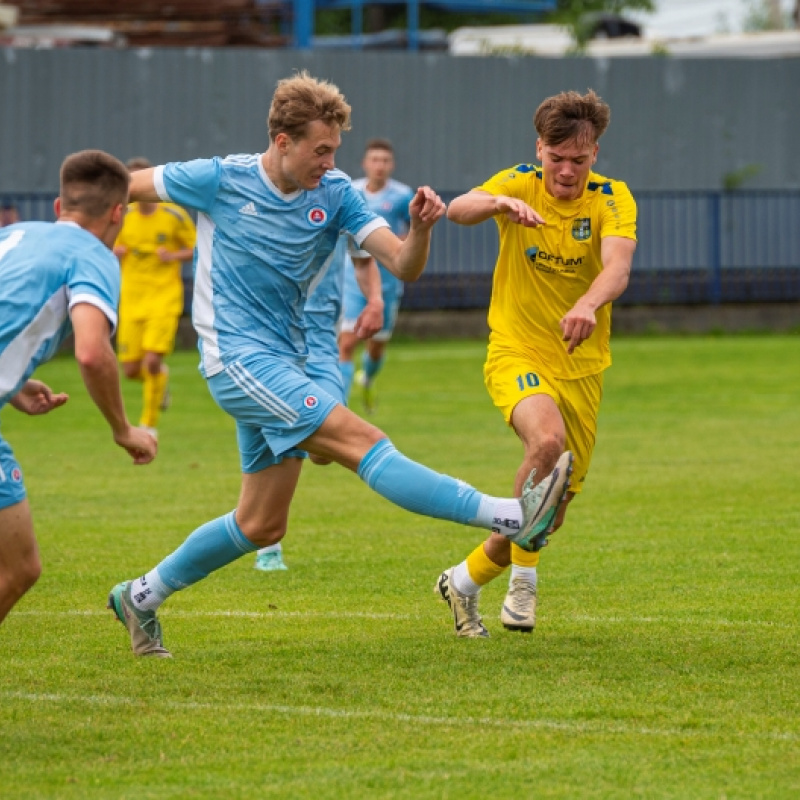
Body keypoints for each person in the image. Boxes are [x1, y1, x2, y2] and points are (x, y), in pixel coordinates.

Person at [106, 70, 572, 658]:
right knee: (361, 441)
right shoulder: (219, 178)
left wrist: (421, 229)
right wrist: (82, 226)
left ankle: (139, 597)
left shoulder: (337, 195)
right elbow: (121, 186)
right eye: (320, 150)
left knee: (261, 524)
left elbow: (402, 264)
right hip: (237, 359)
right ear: (282, 141)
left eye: (335, 151)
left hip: (291, 361)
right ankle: (511, 515)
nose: (330, 162)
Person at [436, 89, 637, 638]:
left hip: (582, 365)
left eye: (580, 158)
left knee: (551, 509)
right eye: (557, 158)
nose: (567, 170)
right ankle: (524, 585)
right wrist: (499, 205)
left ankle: (463, 581)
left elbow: (617, 267)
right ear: (539, 150)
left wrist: (587, 303)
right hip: (516, 349)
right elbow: (458, 208)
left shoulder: (612, 198)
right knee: (545, 445)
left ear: (595, 153)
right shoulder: (518, 182)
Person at [0, 150, 158, 626]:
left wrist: (13, 384)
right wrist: (123, 428)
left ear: (57, 207)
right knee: (18, 567)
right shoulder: (94, 256)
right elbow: (92, 350)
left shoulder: (14, 234)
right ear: (119, 214)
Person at [253, 234, 384, 572]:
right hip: (272, 342)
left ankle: (264, 532)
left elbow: (364, 257)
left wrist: (375, 301)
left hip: (322, 344)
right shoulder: (262, 199)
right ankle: (269, 544)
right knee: (281, 431)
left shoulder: (337, 197)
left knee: (323, 452)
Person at [113, 157, 197, 439]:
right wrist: (115, 252)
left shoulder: (173, 215)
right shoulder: (123, 217)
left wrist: (173, 255)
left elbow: (196, 248)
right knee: (131, 369)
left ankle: (148, 425)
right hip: (132, 298)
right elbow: (103, 244)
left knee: (150, 361)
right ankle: (161, 380)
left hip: (164, 297)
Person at [338, 139, 414, 413]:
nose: (379, 166)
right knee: (345, 343)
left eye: (385, 161)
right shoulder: (350, 191)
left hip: (387, 282)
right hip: (353, 277)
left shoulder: (402, 196)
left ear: (391, 165)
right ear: (365, 163)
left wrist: (402, 246)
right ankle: (340, 407)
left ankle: (367, 378)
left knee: (376, 347)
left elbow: (411, 234)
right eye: (374, 160)